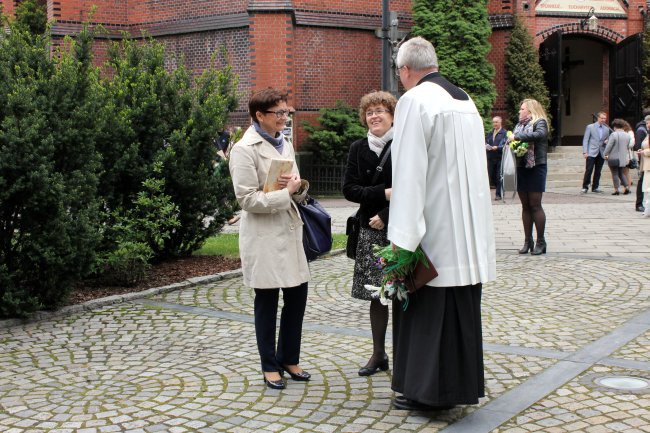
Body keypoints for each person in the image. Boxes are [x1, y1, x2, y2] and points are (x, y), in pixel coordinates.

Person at [388, 36, 496, 411]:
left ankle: (426, 392)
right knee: (459, 314)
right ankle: (457, 387)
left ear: (405, 70)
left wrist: (403, 239)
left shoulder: (414, 101)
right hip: (466, 234)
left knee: (428, 317)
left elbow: (409, 174)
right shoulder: (464, 99)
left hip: (433, 234)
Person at [229, 88, 311, 390]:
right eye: (278, 113)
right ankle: (269, 365)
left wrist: (298, 186)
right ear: (259, 116)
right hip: (263, 237)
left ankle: (289, 358)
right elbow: (247, 200)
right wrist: (284, 193)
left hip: (289, 231)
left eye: (286, 112)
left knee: (297, 297)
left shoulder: (285, 143)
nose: (284, 118)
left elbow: (297, 188)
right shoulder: (243, 149)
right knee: (267, 300)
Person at [342, 91, 396, 377]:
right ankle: (378, 353)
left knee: (403, 292)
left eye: (380, 110)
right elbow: (349, 189)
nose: (374, 116)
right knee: (377, 294)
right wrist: (383, 193)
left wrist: (386, 215)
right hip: (368, 230)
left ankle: (405, 352)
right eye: (370, 112)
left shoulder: (404, 144)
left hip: (399, 228)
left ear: (391, 115)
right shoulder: (358, 148)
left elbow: (414, 188)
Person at [511, 99, 550, 255]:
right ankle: (528, 241)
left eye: (522, 109)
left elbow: (540, 135)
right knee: (525, 206)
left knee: (535, 205)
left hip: (536, 166)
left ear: (530, 110)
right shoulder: (519, 125)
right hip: (522, 167)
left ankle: (541, 241)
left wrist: (517, 138)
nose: (519, 111)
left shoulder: (540, 122)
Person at [581, 112, 610, 194]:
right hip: (591, 152)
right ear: (598, 118)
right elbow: (586, 139)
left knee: (598, 171)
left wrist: (606, 142)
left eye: (605, 118)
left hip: (601, 152)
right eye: (602, 118)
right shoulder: (590, 127)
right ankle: (585, 187)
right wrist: (585, 151)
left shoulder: (606, 129)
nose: (603, 120)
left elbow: (607, 141)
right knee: (589, 170)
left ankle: (595, 187)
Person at [604, 118, 631, 196]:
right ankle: (626, 187)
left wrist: (605, 154)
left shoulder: (613, 134)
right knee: (621, 173)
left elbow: (609, 146)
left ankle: (616, 190)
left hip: (613, 157)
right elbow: (627, 146)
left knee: (614, 173)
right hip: (622, 158)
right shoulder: (627, 135)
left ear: (615, 126)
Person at [485, 116, 508, 200]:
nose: (494, 124)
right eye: (493, 122)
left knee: (499, 176)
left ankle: (499, 194)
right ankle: (497, 192)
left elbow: (505, 144)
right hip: (490, 157)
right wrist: (486, 146)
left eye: (496, 122)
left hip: (500, 158)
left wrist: (497, 147)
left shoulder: (504, 133)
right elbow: (486, 141)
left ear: (500, 122)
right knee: (491, 176)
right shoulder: (490, 133)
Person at [634, 114, 650, 212]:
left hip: (647, 162)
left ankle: (642, 204)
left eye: (648, 123)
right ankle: (639, 204)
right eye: (647, 123)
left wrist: (645, 151)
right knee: (643, 183)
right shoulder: (644, 131)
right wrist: (641, 150)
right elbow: (641, 145)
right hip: (645, 163)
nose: (647, 125)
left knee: (645, 185)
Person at [622, 120, 635, 188]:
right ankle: (628, 184)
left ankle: (628, 186)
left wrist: (623, 145)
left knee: (626, 171)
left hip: (627, 154)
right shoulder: (621, 132)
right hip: (621, 154)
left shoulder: (629, 132)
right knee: (624, 171)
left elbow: (631, 143)